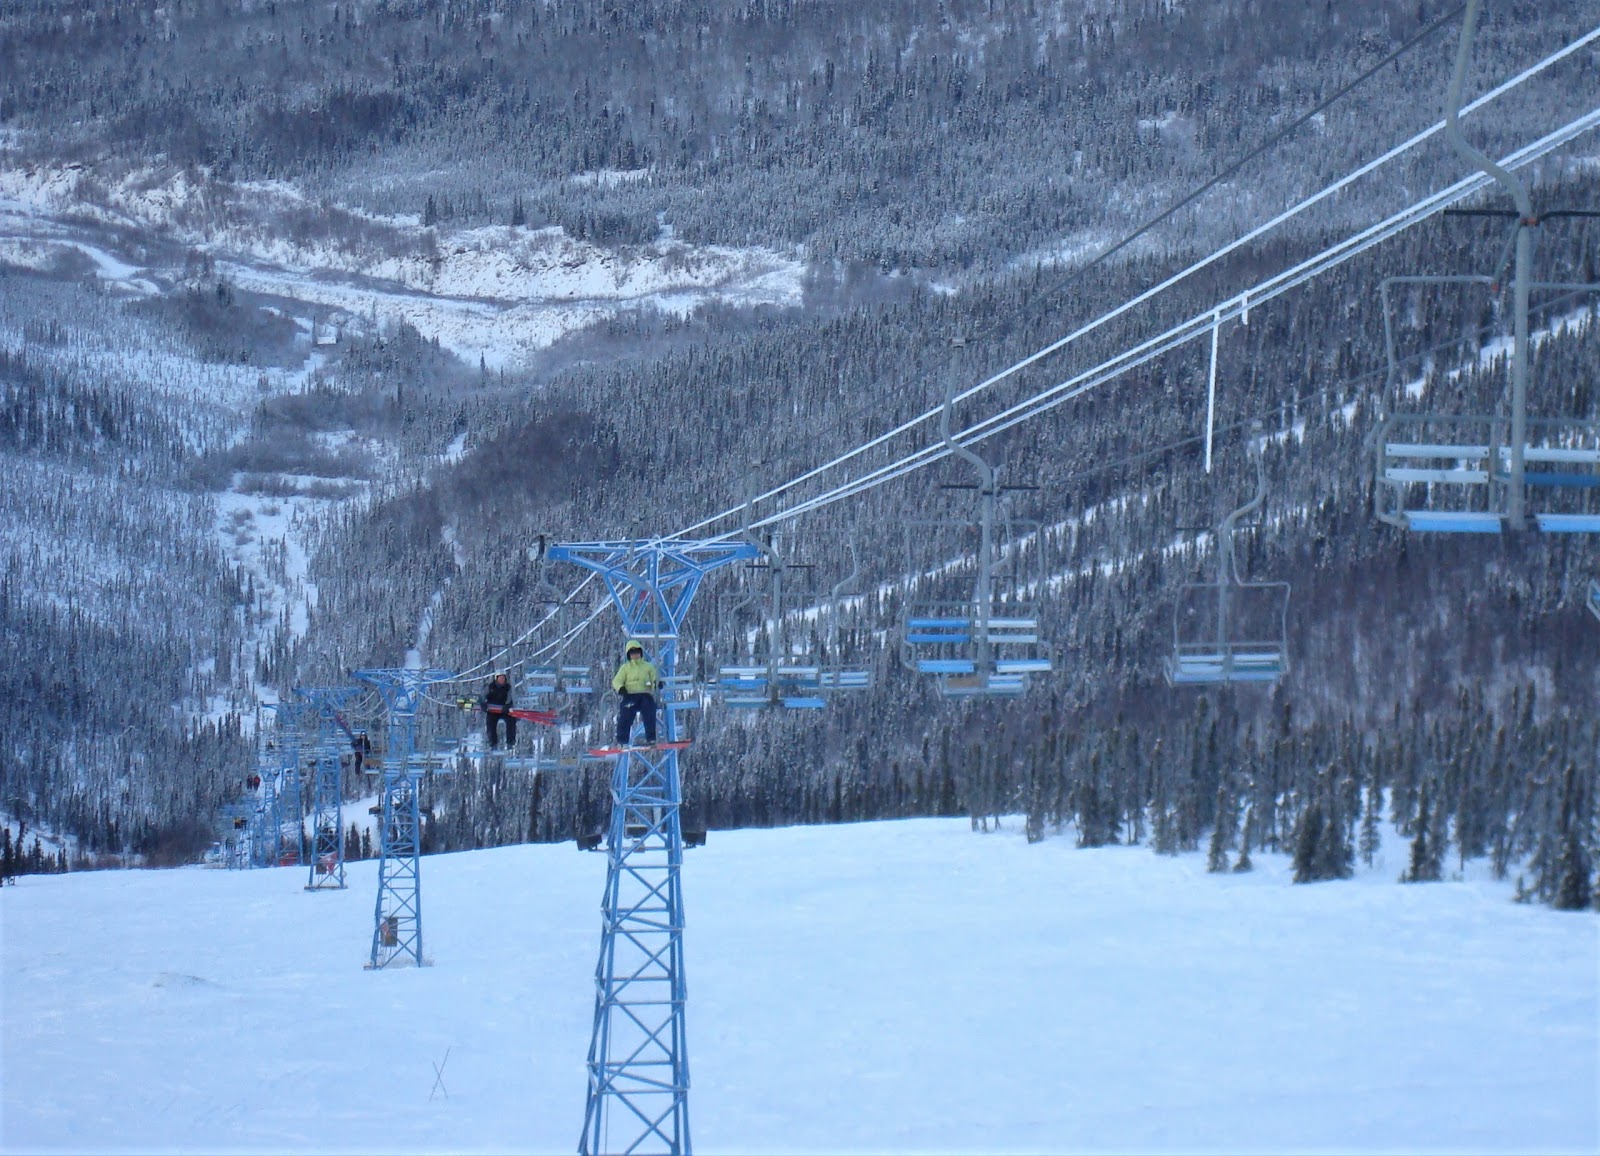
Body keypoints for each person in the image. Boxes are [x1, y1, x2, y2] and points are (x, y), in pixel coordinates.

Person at [610, 640, 663, 746]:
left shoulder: (648, 667)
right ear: (629, 655)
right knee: (625, 716)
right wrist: (621, 688)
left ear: (641, 653)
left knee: (649, 712)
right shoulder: (625, 668)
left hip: (644, 694)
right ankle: (622, 740)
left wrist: (657, 683)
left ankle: (651, 738)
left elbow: (654, 677)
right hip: (630, 695)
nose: (635, 655)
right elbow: (617, 680)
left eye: (637, 652)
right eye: (632, 653)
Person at [484, 672, 516, 749]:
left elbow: (510, 697)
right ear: (496, 678)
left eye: (503, 678)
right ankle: (493, 743)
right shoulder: (491, 687)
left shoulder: (508, 687)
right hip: (493, 709)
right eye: (500, 678)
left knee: (511, 721)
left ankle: (510, 742)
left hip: (504, 709)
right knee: (490, 723)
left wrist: (507, 705)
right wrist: (484, 703)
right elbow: (483, 695)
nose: (502, 679)